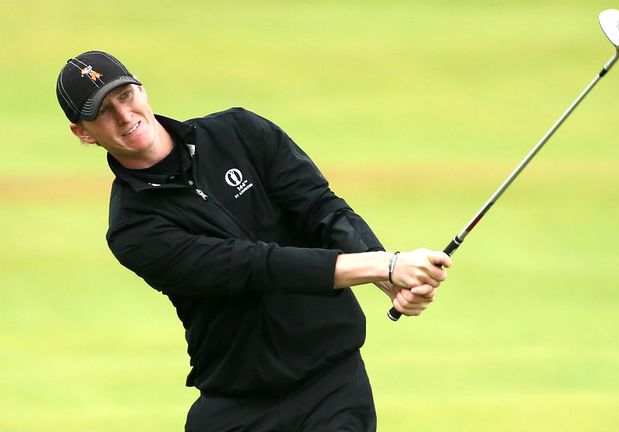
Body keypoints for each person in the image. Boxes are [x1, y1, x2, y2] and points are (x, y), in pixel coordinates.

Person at [56, 50, 451, 431]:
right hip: (238, 405)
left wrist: (389, 279)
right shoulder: (133, 228)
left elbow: (320, 208)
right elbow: (252, 266)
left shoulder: (239, 132)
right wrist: (384, 265)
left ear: (141, 89)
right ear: (82, 132)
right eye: (103, 111)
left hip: (332, 383)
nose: (124, 116)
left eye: (124, 96)